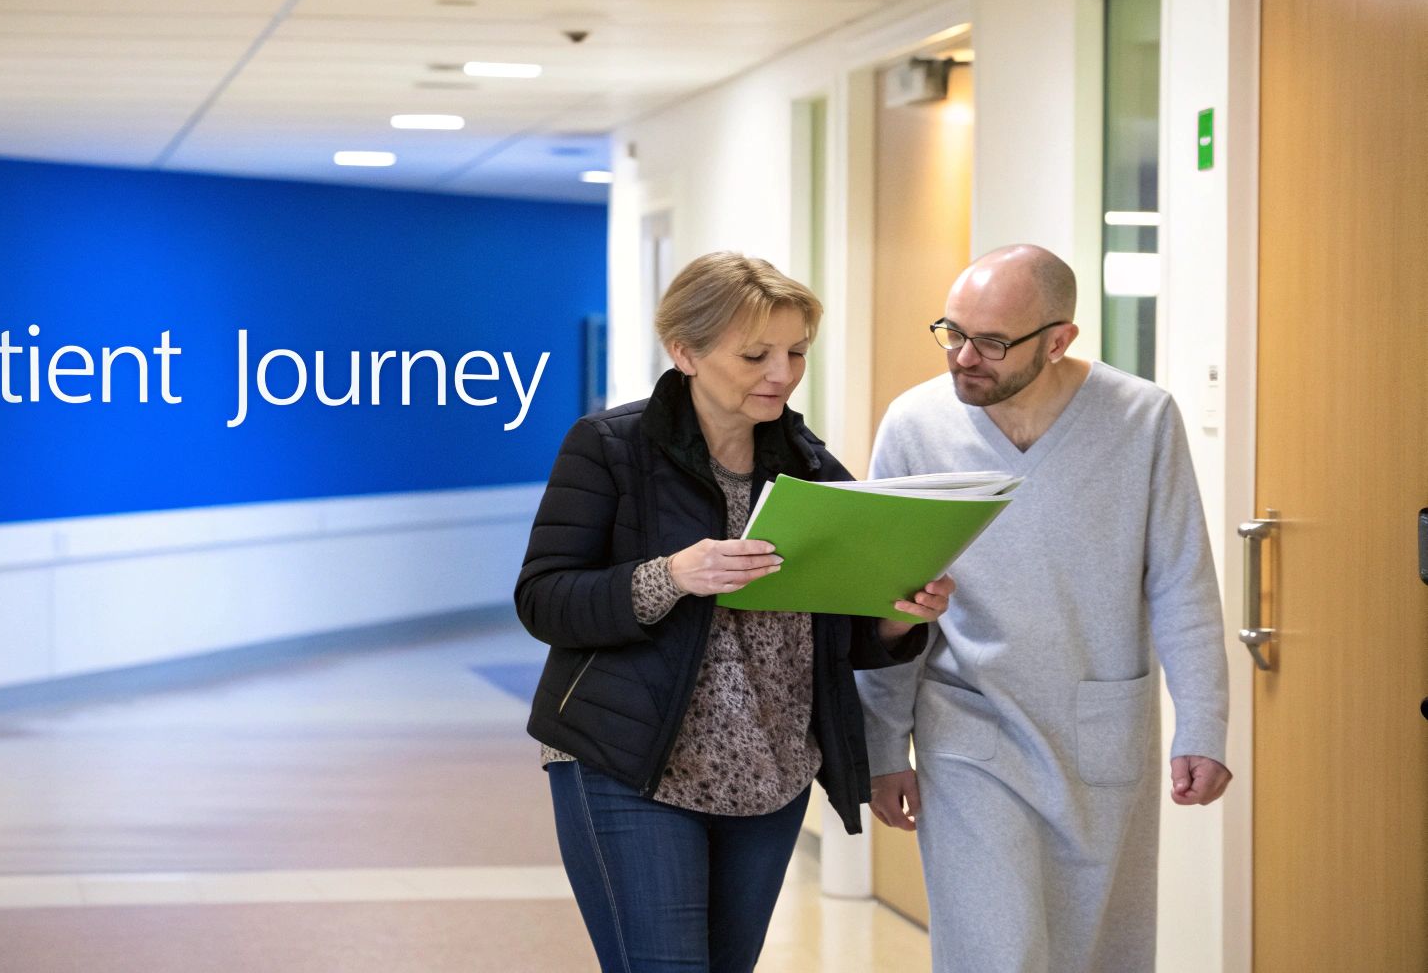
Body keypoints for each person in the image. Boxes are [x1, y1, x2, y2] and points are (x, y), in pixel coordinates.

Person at [514, 251, 954, 972]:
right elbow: (544, 600)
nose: (781, 373)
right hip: (629, 766)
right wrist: (673, 576)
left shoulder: (810, 465)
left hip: (768, 777)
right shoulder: (608, 449)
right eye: (756, 354)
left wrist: (900, 613)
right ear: (684, 351)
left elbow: (847, 633)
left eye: (796, 353)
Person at [856, 244, 1231, 972]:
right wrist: (880, 745)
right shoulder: (914, 425)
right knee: (994, 952)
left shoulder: (1141, 419)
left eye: (991, 342)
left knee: (1095, 950)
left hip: (1099, 725)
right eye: (952, 332)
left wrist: (1204, 723)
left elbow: (1182, 579)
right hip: (968, 727)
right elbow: (889, 602)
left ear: (1058, 341)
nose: (964, 356)